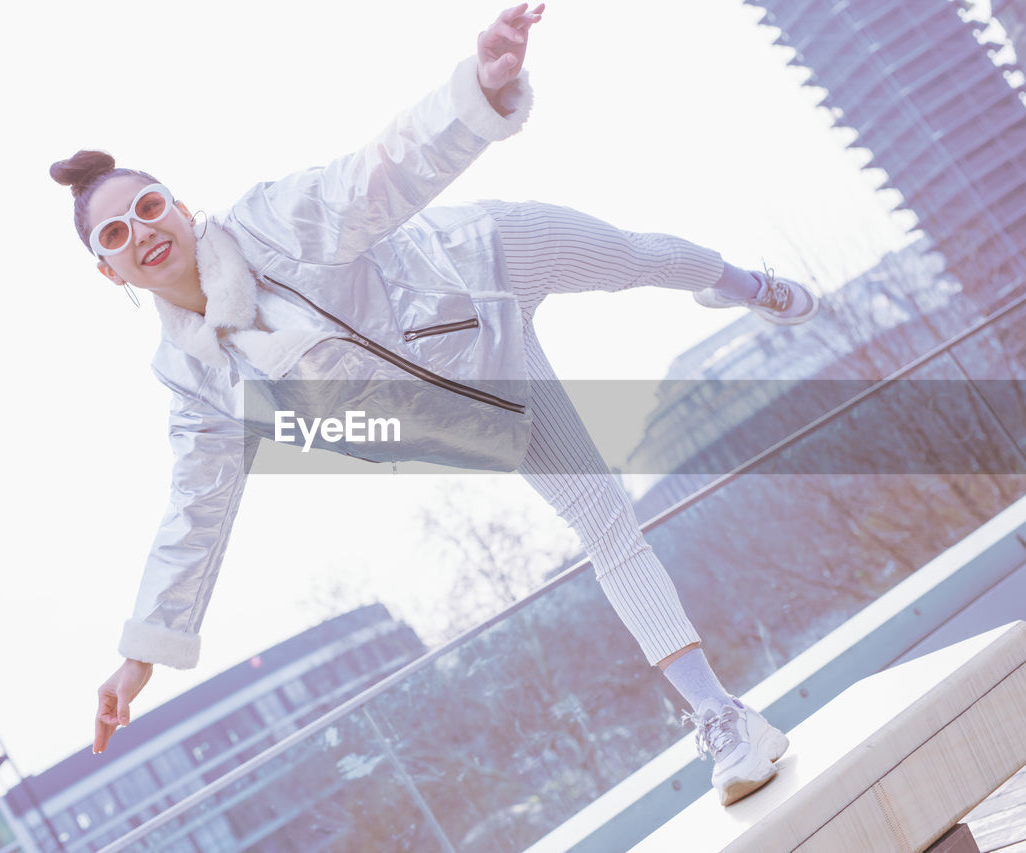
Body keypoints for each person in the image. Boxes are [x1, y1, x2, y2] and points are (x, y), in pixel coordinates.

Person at [53, 3, 812, 806]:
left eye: (148, 207)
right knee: (602, 519)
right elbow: (194, 511)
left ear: (178, 206)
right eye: (113, 235)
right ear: (111, 274)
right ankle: (722, 718)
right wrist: (141, 654)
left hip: (485, 261)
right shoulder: (194, 377)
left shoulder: (267, 226)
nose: (139, 231)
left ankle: (741, 284)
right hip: (485, 391)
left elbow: (376, 174)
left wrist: (475, 93)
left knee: (639, 258)